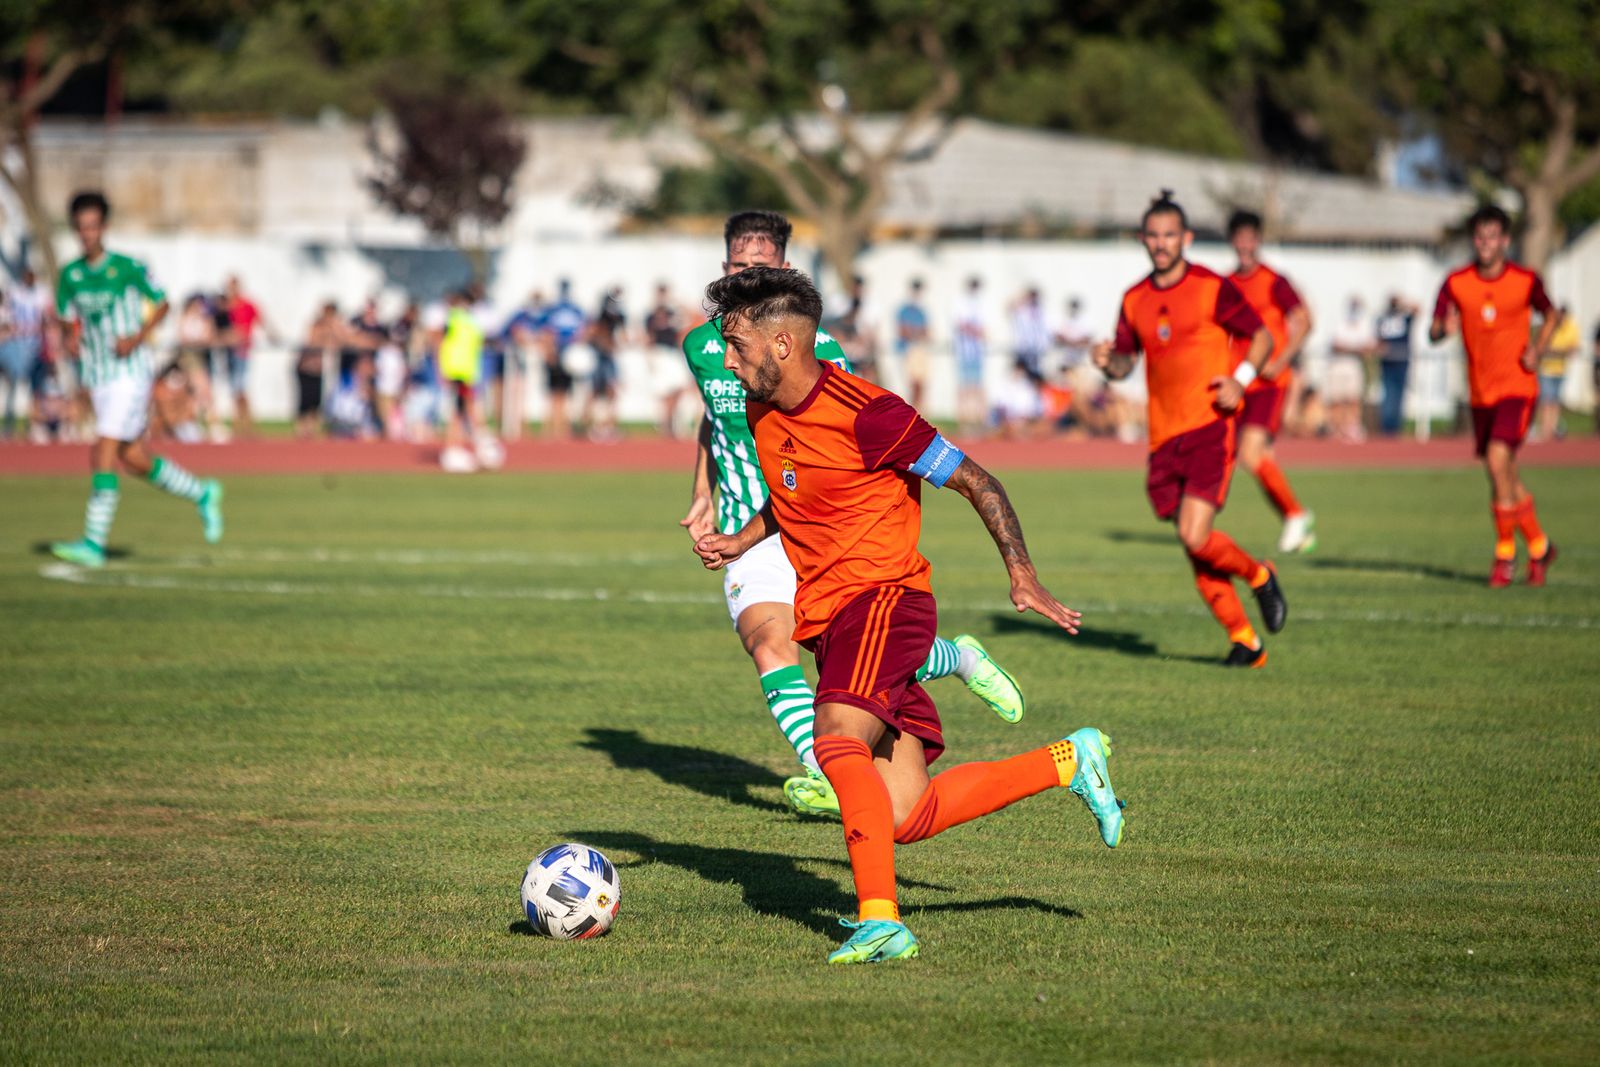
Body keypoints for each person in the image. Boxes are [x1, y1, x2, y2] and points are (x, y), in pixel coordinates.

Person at [693, 265, 1123, 965]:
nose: (728, 363)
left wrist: (1022, 573)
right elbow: (798, 495)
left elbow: (978, 479)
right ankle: (1071, 759)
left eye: (736, 347)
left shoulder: (871, 412)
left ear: (780, 344)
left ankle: (881, 921)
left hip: (886, 601)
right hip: (830, 620)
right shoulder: (759, 411)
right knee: (903, 813)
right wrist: (741, 538)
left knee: (835, 739)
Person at [680, 211, 1027, 820]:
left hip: (825, 528)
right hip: (753, 518)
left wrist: (1020, 568)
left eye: (756, 266)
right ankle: (825, 769)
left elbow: (832, 448)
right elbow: (715, 420)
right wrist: (704, 493)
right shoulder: (704, 347)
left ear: (783, 270)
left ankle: (951, 662)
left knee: (850, 671)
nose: (744, 274)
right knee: (770, 643)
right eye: (735, 264)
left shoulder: (821, 356)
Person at [1093, 190, 1288, 667]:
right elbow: (1124, 364)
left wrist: (1241, 382)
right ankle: (1245, 640)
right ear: (1144, 239)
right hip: (1163, 437)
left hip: (1208, 426)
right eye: (1153, 236)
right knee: (1192, 541)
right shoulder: (1134, 299)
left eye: (1170, 235)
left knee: (1196, 534)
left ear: (1186, 238)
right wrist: (1107, 363)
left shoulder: (1211, 286)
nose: (1161, 244)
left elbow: (1260, 336)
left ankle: (1260, 575)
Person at [49, 191, 223, 568]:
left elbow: (162, 302)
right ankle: (202, 493)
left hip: (130, 373)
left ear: (104, 228)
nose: (88, 233)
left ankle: (93, 545)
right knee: (132, 458)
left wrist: (137, 336)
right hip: (97, 376)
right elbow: (65, 318)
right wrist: (71, 337)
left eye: (93, 226)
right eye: (81, 227)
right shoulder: (70, 275)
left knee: (104, 448)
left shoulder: (128, 267)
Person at [1429, 204, 1559, 587]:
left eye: (1493, 237)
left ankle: (1505, 555)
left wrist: (1538, 348)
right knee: (1501, 473)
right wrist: (1442, 330)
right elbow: (1434, 331)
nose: (1486, 244)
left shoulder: (1524, 279)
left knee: (1499, 458)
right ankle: (1539, 545)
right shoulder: (1456, 282)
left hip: (1518, 388)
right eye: (1480, 237)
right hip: (1480, 394)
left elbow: (1551, 314)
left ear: (1505, 240)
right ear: (1475, 240)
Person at [1225, 211, 1316, 553]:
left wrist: (1281, 360)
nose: (1245, 245)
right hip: (1240, 382)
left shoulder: (1274, 281)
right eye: (1239, 238)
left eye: (1251, 237)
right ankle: (1299, 526)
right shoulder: (1228, 284)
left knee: (1250, 454)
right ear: (1233, 241)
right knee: (1250, 456)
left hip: (1269, 384)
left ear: (1258, 241)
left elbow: (1305, 321)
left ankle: (1296, 513)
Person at [432, 289, 498, 472]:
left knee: (463, 409)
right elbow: (437, 340)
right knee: (463, 409)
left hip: (467, 372)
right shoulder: (453, 320)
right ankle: (460, 448)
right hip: (457, 372)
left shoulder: (471, 322)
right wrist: (441, 368)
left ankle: (468, 446)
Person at [219, 275, 273, 438]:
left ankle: (246, 423)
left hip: (242, 352)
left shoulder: (246, 304)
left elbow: (261, 321)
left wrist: (273, 336)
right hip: (229, 352)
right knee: (236, 389)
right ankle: (241, 424)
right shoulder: (224, 306)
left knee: (240, 388)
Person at [1, 270, 48, 438]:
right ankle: (11, 422)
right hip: (14, 346)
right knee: (14, 384)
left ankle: (32, 424)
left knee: (34, 387)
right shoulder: (14, 293)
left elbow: (46, 317)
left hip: (34, 347)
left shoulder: (41, 293)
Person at [644, 284, 695, 437]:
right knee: (665, 391)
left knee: (679, 388)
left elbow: (690, 318)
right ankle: (665, 425)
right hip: (660, 354)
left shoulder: (672, 312)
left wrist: (676, 301)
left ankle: (670, 421)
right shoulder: (651, 315)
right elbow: (649, 337)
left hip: (673, 354)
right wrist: (649, 357)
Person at [537, 280, 586, 439]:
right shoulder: (552, 309)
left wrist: (578, 349)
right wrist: (548, 351)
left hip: (569, 357)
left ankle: (563, 428)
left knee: (565, 393)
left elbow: (584, 330)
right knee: (552, 393)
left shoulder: (575, 309)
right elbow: (545, 331)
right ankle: (549, 428)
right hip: (555, 355)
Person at [1327, 297, 1376, 442]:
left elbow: (1368, 347)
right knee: (1337, 399)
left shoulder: (1364, 324)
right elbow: (1336, 345)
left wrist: (1349, 348)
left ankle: (1351, 428)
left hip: (1354, 366)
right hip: (1337, 365)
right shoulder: (1339, 323)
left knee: (1352, 399)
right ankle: (1337, 429)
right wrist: (1355, 348)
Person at [1373, 294, 1419, 437]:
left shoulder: (1404, 317)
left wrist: (1402, 303)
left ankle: (1396, 427)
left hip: (1402, 361)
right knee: (1388, 394)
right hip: (1387, 362)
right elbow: (1378, 340)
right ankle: (1387, 427)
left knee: (1399, 396)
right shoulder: (1383, 318)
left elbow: (1417, 309)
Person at [584, 285, 625, 442]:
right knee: (596, 392)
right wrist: (608, 344)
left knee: (612, 392)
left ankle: (608, 425)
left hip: (609, 357)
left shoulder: (619, 315)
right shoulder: (602, 314)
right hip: (600, 357)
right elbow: (595, 333)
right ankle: (591, 425)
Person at [1533, 305, 1578, 442]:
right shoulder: (1549, 326)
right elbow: (1541, 347)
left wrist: (1555, 352)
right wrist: (1559, 352)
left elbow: (1573, 348)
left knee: (1555, 401)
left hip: (1560, 370)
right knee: (1546, 400)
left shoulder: (1570, 327)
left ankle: (1552, 430)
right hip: (1547, 369)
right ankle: (1544, 431)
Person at [954, 276, 987, 434]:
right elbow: (962, 324)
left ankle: (978, 420)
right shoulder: (960, 302)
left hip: (977, 352)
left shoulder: (979, 304)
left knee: (977, 386)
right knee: (965, 387)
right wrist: (977, 332)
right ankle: (964, 421)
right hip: (965, 352)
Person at [893, 279, 932, 409]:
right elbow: (903, 331)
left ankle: (919, 409)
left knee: (921, 382)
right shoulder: (904, 310)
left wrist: (915, 332)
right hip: (908, 350)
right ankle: (912, 409)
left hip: (919, 349)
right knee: (912, 382)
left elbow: (926, 332)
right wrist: (916, 333)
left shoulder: (922, 311)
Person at [1009, 287, 1051, 385]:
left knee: (1036, 377)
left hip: (1036, 351)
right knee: (1019, 376)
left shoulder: (1041, 311)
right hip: (1023, 349)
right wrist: (1022, 297)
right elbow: (1010, 306)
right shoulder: (1022, 310)